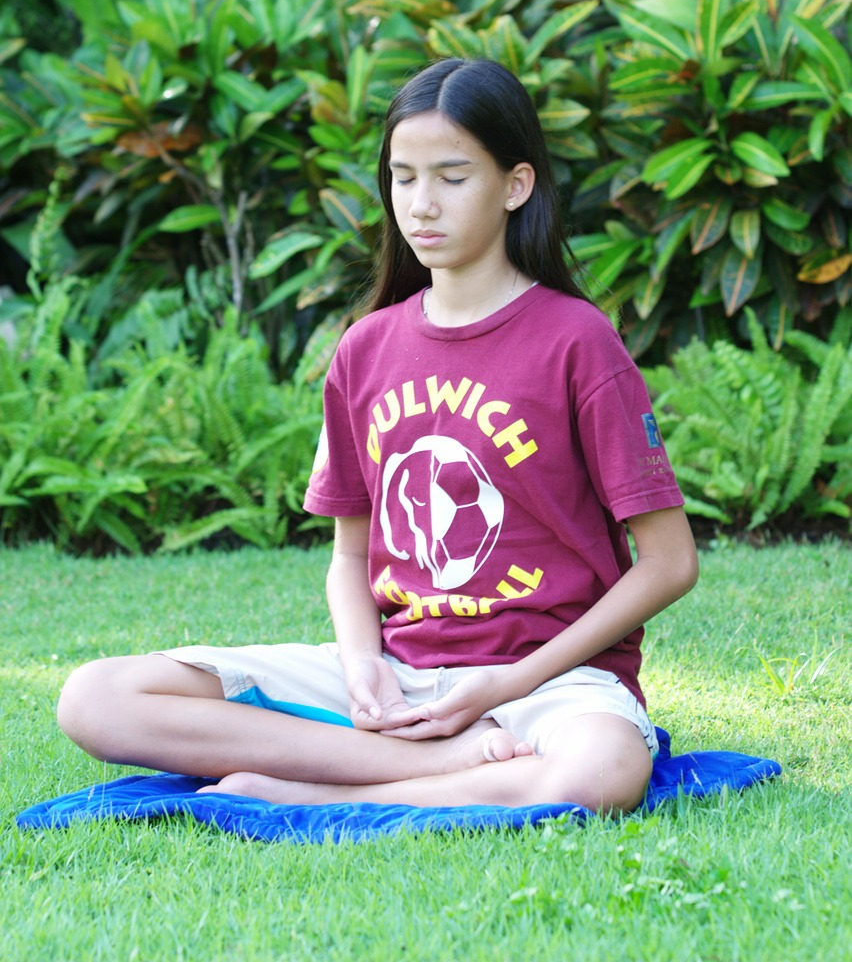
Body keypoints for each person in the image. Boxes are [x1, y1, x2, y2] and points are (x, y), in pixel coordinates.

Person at [57, 58, 698, 815]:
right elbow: (350, 556)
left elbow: (669, 563)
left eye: (452, 178)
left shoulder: (577, 342)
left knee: (600, 774)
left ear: (516, 185)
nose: (421, 205)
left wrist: (509, 683)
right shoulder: (365, 348)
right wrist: (363, 663)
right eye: (403, 177)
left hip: (548, 681)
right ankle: (441, 765)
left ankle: (311, 791)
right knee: (94, 697)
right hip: (398, 672)